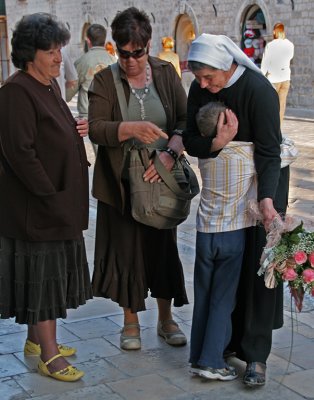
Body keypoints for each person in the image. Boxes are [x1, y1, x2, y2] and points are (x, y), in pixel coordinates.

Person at [183, 33, 289, 386]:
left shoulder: (258, 91)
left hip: (265, 183)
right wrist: (216, 142)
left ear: (228, 66)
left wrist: (268, 200)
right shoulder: (200, 89)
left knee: (260, 270)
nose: (202, 84)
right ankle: (224, 344)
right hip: (226, 186)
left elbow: (270, 150)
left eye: (208, 77)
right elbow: (193, 140)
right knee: (229, 273)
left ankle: (256, 356)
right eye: (197, 78)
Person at [88, 7, 188, 351]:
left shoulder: (165, 72)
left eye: (138, 53)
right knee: (127, 250)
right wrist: (130, 128)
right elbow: (97, 129)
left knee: (162, 249)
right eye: (124, 53)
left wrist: (169, 152)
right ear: (116, 47)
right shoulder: (104, 80)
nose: (131, 61)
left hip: (161, 180)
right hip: (121, 184)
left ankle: (165, 318)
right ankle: (130, 321)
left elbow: (184, 121)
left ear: (147, 46)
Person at [0, 13, 92, 382]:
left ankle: (35, 342)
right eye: (51, 51)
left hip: (58, 200)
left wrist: (74, 129)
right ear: (29, 53)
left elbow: (49, 131)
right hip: (37, 209)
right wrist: (49, 196)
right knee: (45, 279)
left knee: (49, 275)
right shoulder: (16, 92)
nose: (59, 58)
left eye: (59, 50)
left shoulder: (48, 86)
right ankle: (50, 357)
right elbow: (20, 153)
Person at [261, 22, 294, 126]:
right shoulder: (290, 44)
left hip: (273, 79)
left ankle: (270, 128)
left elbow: (265, 64)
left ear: (275, 32)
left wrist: (262, 77)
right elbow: (290, 58)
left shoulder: (270, 45)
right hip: (285, 78)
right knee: (281, 104)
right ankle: (278, 129)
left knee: (270, 105)